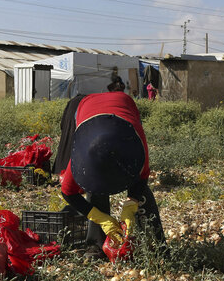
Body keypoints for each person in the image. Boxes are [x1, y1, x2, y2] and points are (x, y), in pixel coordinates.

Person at [57, 89, 164, 259]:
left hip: (124, 105)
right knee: (94, 186)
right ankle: (96, 246)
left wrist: (130, 206)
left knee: (141, 191)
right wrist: (101, 218)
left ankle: (157, 246)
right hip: (87, 109)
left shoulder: (135, 142)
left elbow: (142, 177)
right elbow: (68, 192)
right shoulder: (82, 155)